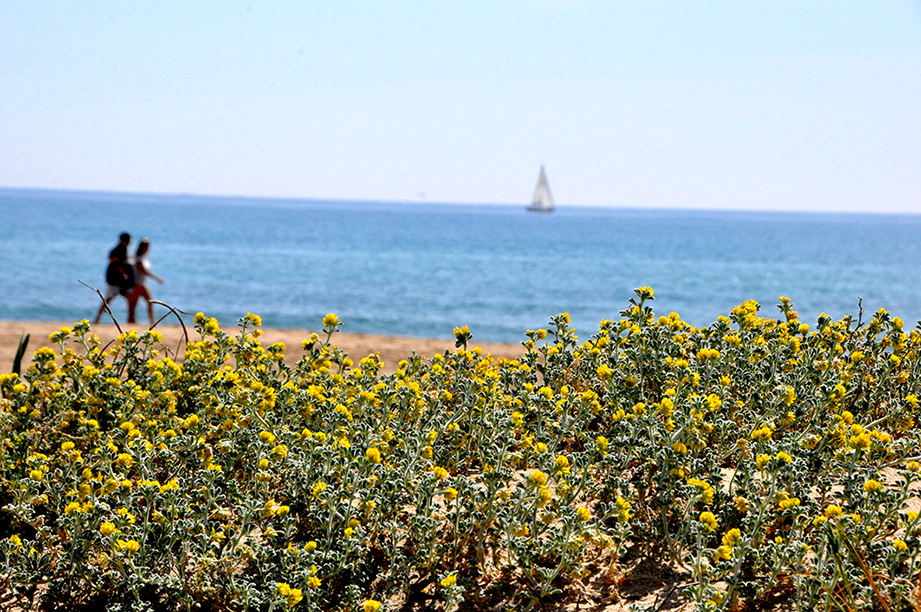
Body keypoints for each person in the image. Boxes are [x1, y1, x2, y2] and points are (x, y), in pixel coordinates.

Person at [93, 233, 135, 324]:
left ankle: (130, 319)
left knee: (129, 298)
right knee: (108, 299)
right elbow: (114, 263)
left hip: (122, 282)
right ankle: (97, 319)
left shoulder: (124, 250)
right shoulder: (116, 250)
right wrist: (124, 273)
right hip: (114, 280)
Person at [128, 238, 164, 325]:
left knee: (148, 302)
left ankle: (151, 321)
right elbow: (143, 271)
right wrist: (157, 278)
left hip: (142, 282)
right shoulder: (138, 258)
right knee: (135, 304)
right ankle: (132, 321)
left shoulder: (143, 257)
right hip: (137, 283)